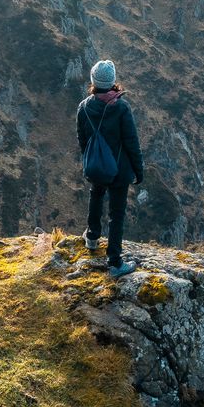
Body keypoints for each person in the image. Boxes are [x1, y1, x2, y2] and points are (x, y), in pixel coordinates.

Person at [76, 59, 143, 277]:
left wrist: (91, 160)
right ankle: (115, 262)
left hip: (97, 165)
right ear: (112, 81)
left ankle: (92, 237)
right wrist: (138, 170)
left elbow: (82, 139)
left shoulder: (84, 107)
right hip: (120, 170)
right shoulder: (121, 108)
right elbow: (131, 142)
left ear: (93, 81)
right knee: (117, 213)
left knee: (96, 195)